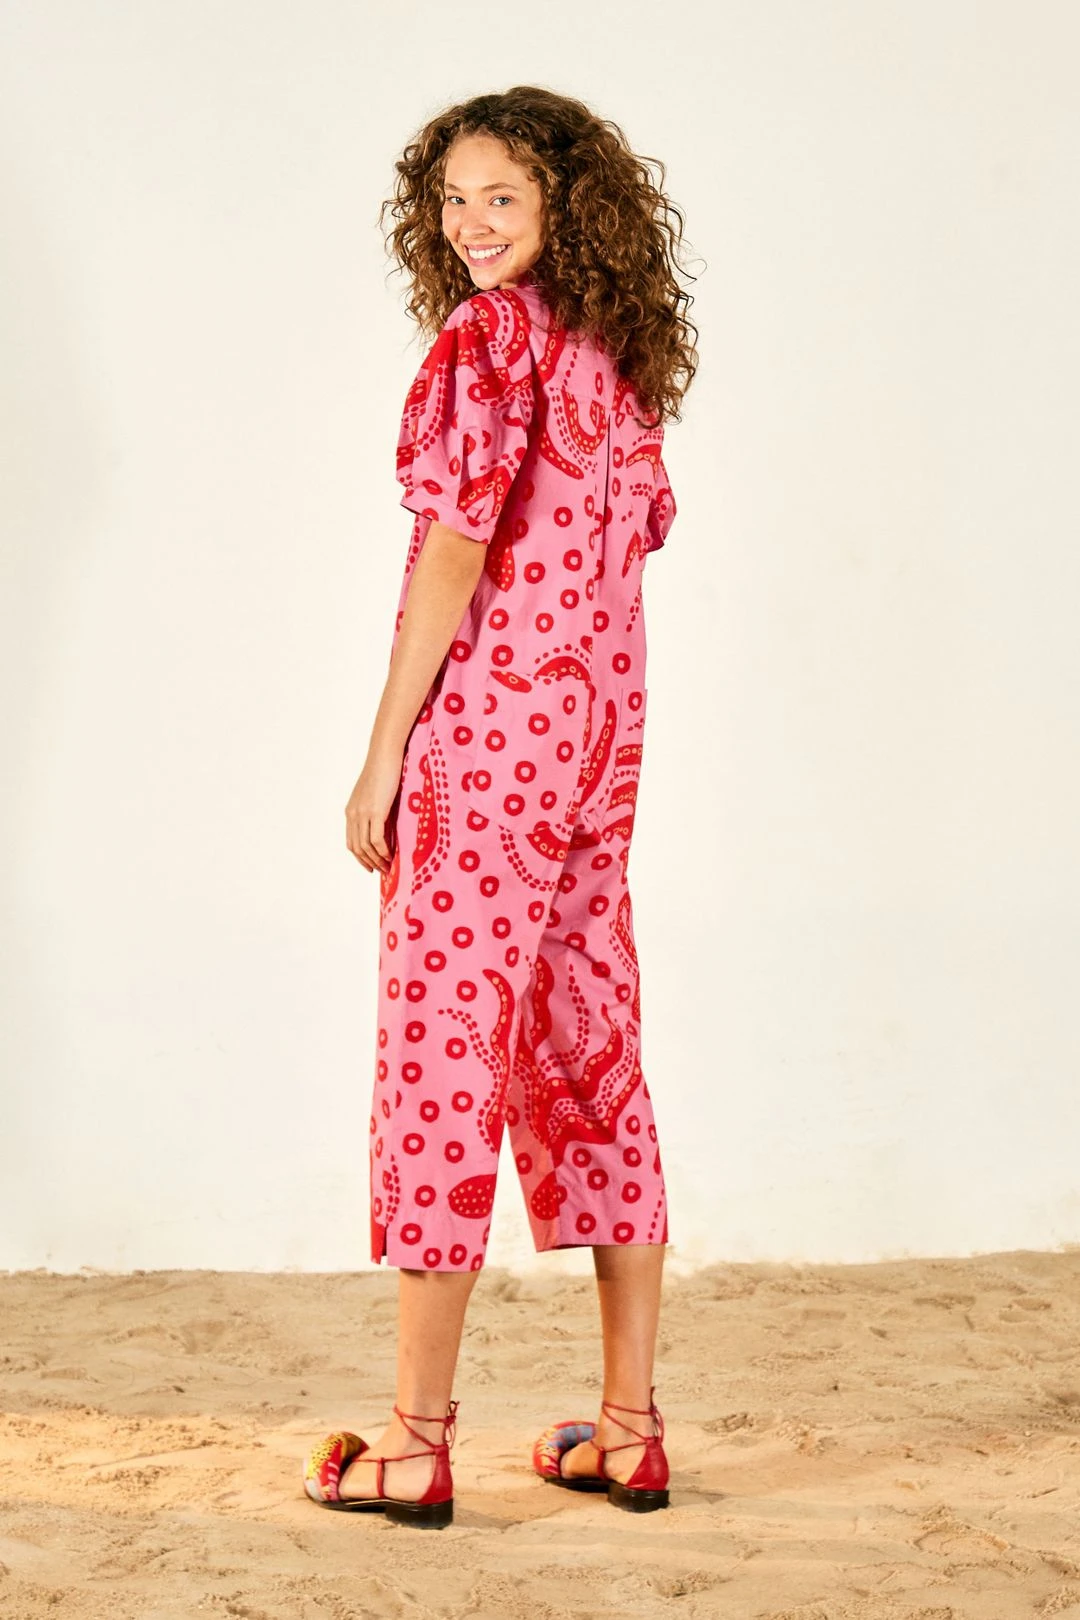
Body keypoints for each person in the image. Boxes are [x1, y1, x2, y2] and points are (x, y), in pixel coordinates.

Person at [304, 86, 697, 1527]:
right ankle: (629, 1427)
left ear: (563, 208)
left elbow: (455, 555)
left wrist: (384, 751)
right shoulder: (616, 355)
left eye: (501, 199)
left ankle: (415, 1443)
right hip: (599, 745)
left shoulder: (489, 343)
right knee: (595, 1049)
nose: (470, 225)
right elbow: (632, 542)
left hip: (485, 749)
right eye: (453, 200)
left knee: (440, 1063)